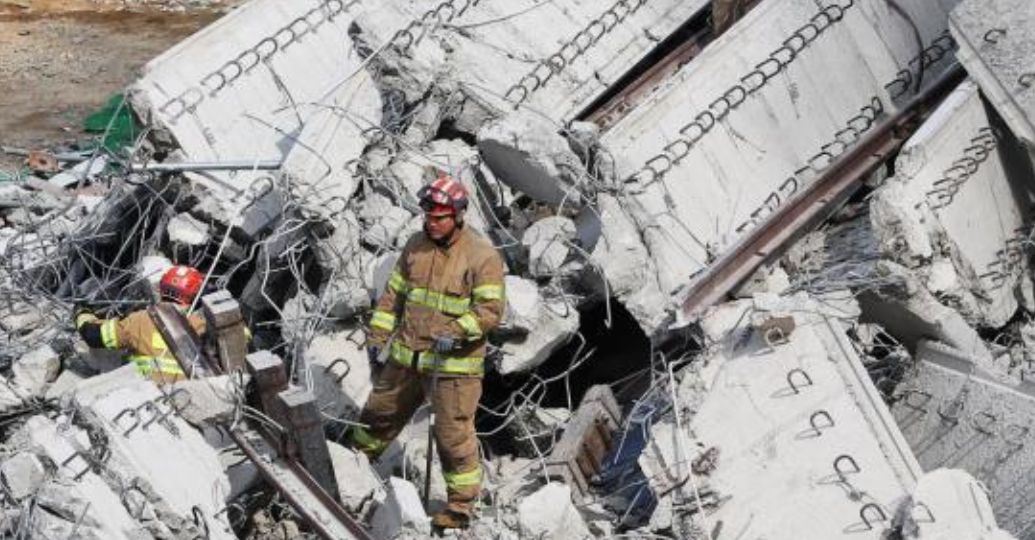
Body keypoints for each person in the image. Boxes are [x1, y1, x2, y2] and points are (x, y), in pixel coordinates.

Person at [351, 174, 506, 530]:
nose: (431, 224)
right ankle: (354, 468)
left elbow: (489, 311)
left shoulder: (482, 256)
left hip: (453, 369)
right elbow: (393, 295)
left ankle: (460, 509)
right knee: (377, 415)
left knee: (453, 437)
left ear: (458, 215)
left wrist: (456, 331)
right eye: (427, 217)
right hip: (406, 358)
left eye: (439, 218)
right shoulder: (415, 246)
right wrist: (378, 337)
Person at [75, 265, 207, 383]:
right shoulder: (201, 326)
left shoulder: (140, 320)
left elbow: (93, 335)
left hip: (147, 396)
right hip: (189, 399)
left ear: (161, 288)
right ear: (196, 295)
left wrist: (81, 311)